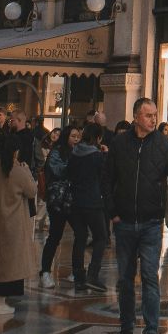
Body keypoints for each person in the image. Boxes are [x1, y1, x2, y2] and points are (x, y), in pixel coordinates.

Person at [105, 98, 168, 334]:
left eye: (155, 115)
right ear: (136, 117)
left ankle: (152, 332)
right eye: (147, 115)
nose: (152, 120)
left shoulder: (162, 143)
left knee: (149, 276)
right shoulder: (120, 144)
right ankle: (126, 329)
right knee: (124, 279)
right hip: (124, 223)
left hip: (150, 223)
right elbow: (107, 180)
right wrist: (112, 212)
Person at [0, 132, 37, 317]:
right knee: (7, 265)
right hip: (13, 224)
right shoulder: (17, 171)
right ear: (16, 151)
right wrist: (26, 170)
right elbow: (32, 191)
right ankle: (1, 303)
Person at [66, 123, 110, 291]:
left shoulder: (74, 153)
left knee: (80, 237)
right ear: (98, 138)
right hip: (92, 201)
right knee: (101, 237)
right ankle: (92, 274)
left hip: (75, 202)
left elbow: (68, 173)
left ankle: (78, 277)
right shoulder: (97, 156)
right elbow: (104, 178)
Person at [38, 125, 75, 288]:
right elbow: (57, 171)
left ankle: (77, 269)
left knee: (81, 233)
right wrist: (74, 167)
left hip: (73, 199)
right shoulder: (56, 152)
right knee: (55, 235)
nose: (76, 139)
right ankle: (45, 271)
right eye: (73, 136)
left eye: (78, 136)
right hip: (58, 200)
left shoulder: (77, 152)